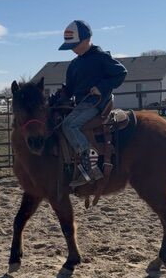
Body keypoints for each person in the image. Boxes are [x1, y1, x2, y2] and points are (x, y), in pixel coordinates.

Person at [51, 20, 127, 187]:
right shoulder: (74, 64)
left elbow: (121, 73)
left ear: (87, 40)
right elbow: (70, 88)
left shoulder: (101, 57)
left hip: (96, 103)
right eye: (70, 46)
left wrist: (101, 87)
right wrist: (58, 96)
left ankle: (90, 167)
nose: (73, 49)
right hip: (81, 104)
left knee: (69, 125)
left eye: (75, 45)